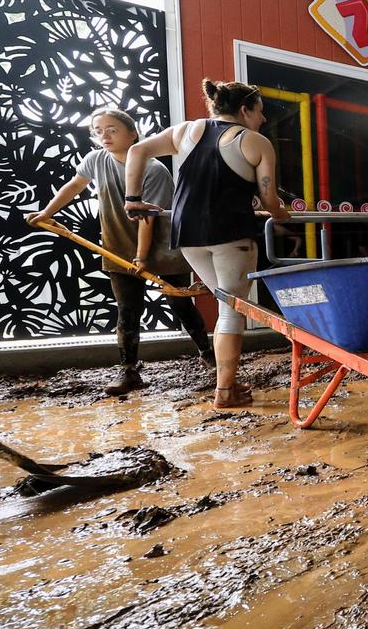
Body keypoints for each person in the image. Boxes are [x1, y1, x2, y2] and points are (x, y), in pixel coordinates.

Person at [125, 79, 291, 408]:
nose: (263, 119)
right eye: (260, 112)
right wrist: (282, 215)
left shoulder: (186, 131)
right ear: (244, 109)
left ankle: (227, 383)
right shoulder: (255, 142)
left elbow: (136, 150)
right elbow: (269, 198)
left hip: (187, 234)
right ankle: (225, 391)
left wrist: (133, 198)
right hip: (231, 233)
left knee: (225, 305)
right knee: (231, 311)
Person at [25, 108, 212, 396]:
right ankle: (129, 372)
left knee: (180, 304)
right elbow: (74, 186)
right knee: (127, 310)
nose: (104, 136)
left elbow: (148, 217)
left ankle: (208, 356)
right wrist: (47, 213)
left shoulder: (152, 170)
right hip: (118, 246)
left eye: (112, 129)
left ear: (132, 133)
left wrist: (141, 257)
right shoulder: (96, 160)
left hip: (162, 246)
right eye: (98, 130)